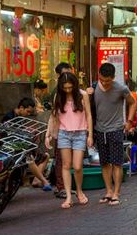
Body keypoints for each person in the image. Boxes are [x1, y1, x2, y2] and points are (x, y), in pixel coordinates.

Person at [45, 72, 93, 209]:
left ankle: (79, 190)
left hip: (80, 133)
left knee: (77, 166)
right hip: (63, 133)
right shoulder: (58, 97)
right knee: (66, 165)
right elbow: (53, 117)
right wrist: (48, 135)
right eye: (65, 88)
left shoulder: (82, 95)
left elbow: (89, 115)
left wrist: (90, 135)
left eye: (70, 87)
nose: (67, 90)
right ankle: (68, 196)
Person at [93, 63, 136, 206]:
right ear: (98, 76)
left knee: (117, 163)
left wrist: (129, 121)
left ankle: (117, 193)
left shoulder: (121, 89)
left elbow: (133, 103)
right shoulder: (93, 88)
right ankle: (108, 191)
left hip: (116, 129)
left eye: (108, 81)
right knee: (104, 163)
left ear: (113, 78)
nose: (104, 83)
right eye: (102, 80)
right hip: (99, 130)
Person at [1, 98, 52, 191]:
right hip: (11, 146)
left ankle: (37, 180)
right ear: (21, 108)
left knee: (45, 156)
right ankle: (44, 181)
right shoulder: (9, 117)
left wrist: (29, 133)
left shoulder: (19, 117)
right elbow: (7, 134)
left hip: (21, 145)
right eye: (27, 111)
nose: (28, 114)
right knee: (29, 158)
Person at [48, 62, 73, 199]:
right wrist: (50, 133)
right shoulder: (57, 92)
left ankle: (65, 186)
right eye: (65, 74)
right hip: (61, 130)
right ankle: (61, 187)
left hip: (72, 131)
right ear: (58, 76)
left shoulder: (72, 88)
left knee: (68, 161)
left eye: (69, 73)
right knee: (61, 160)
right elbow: (53, 114)